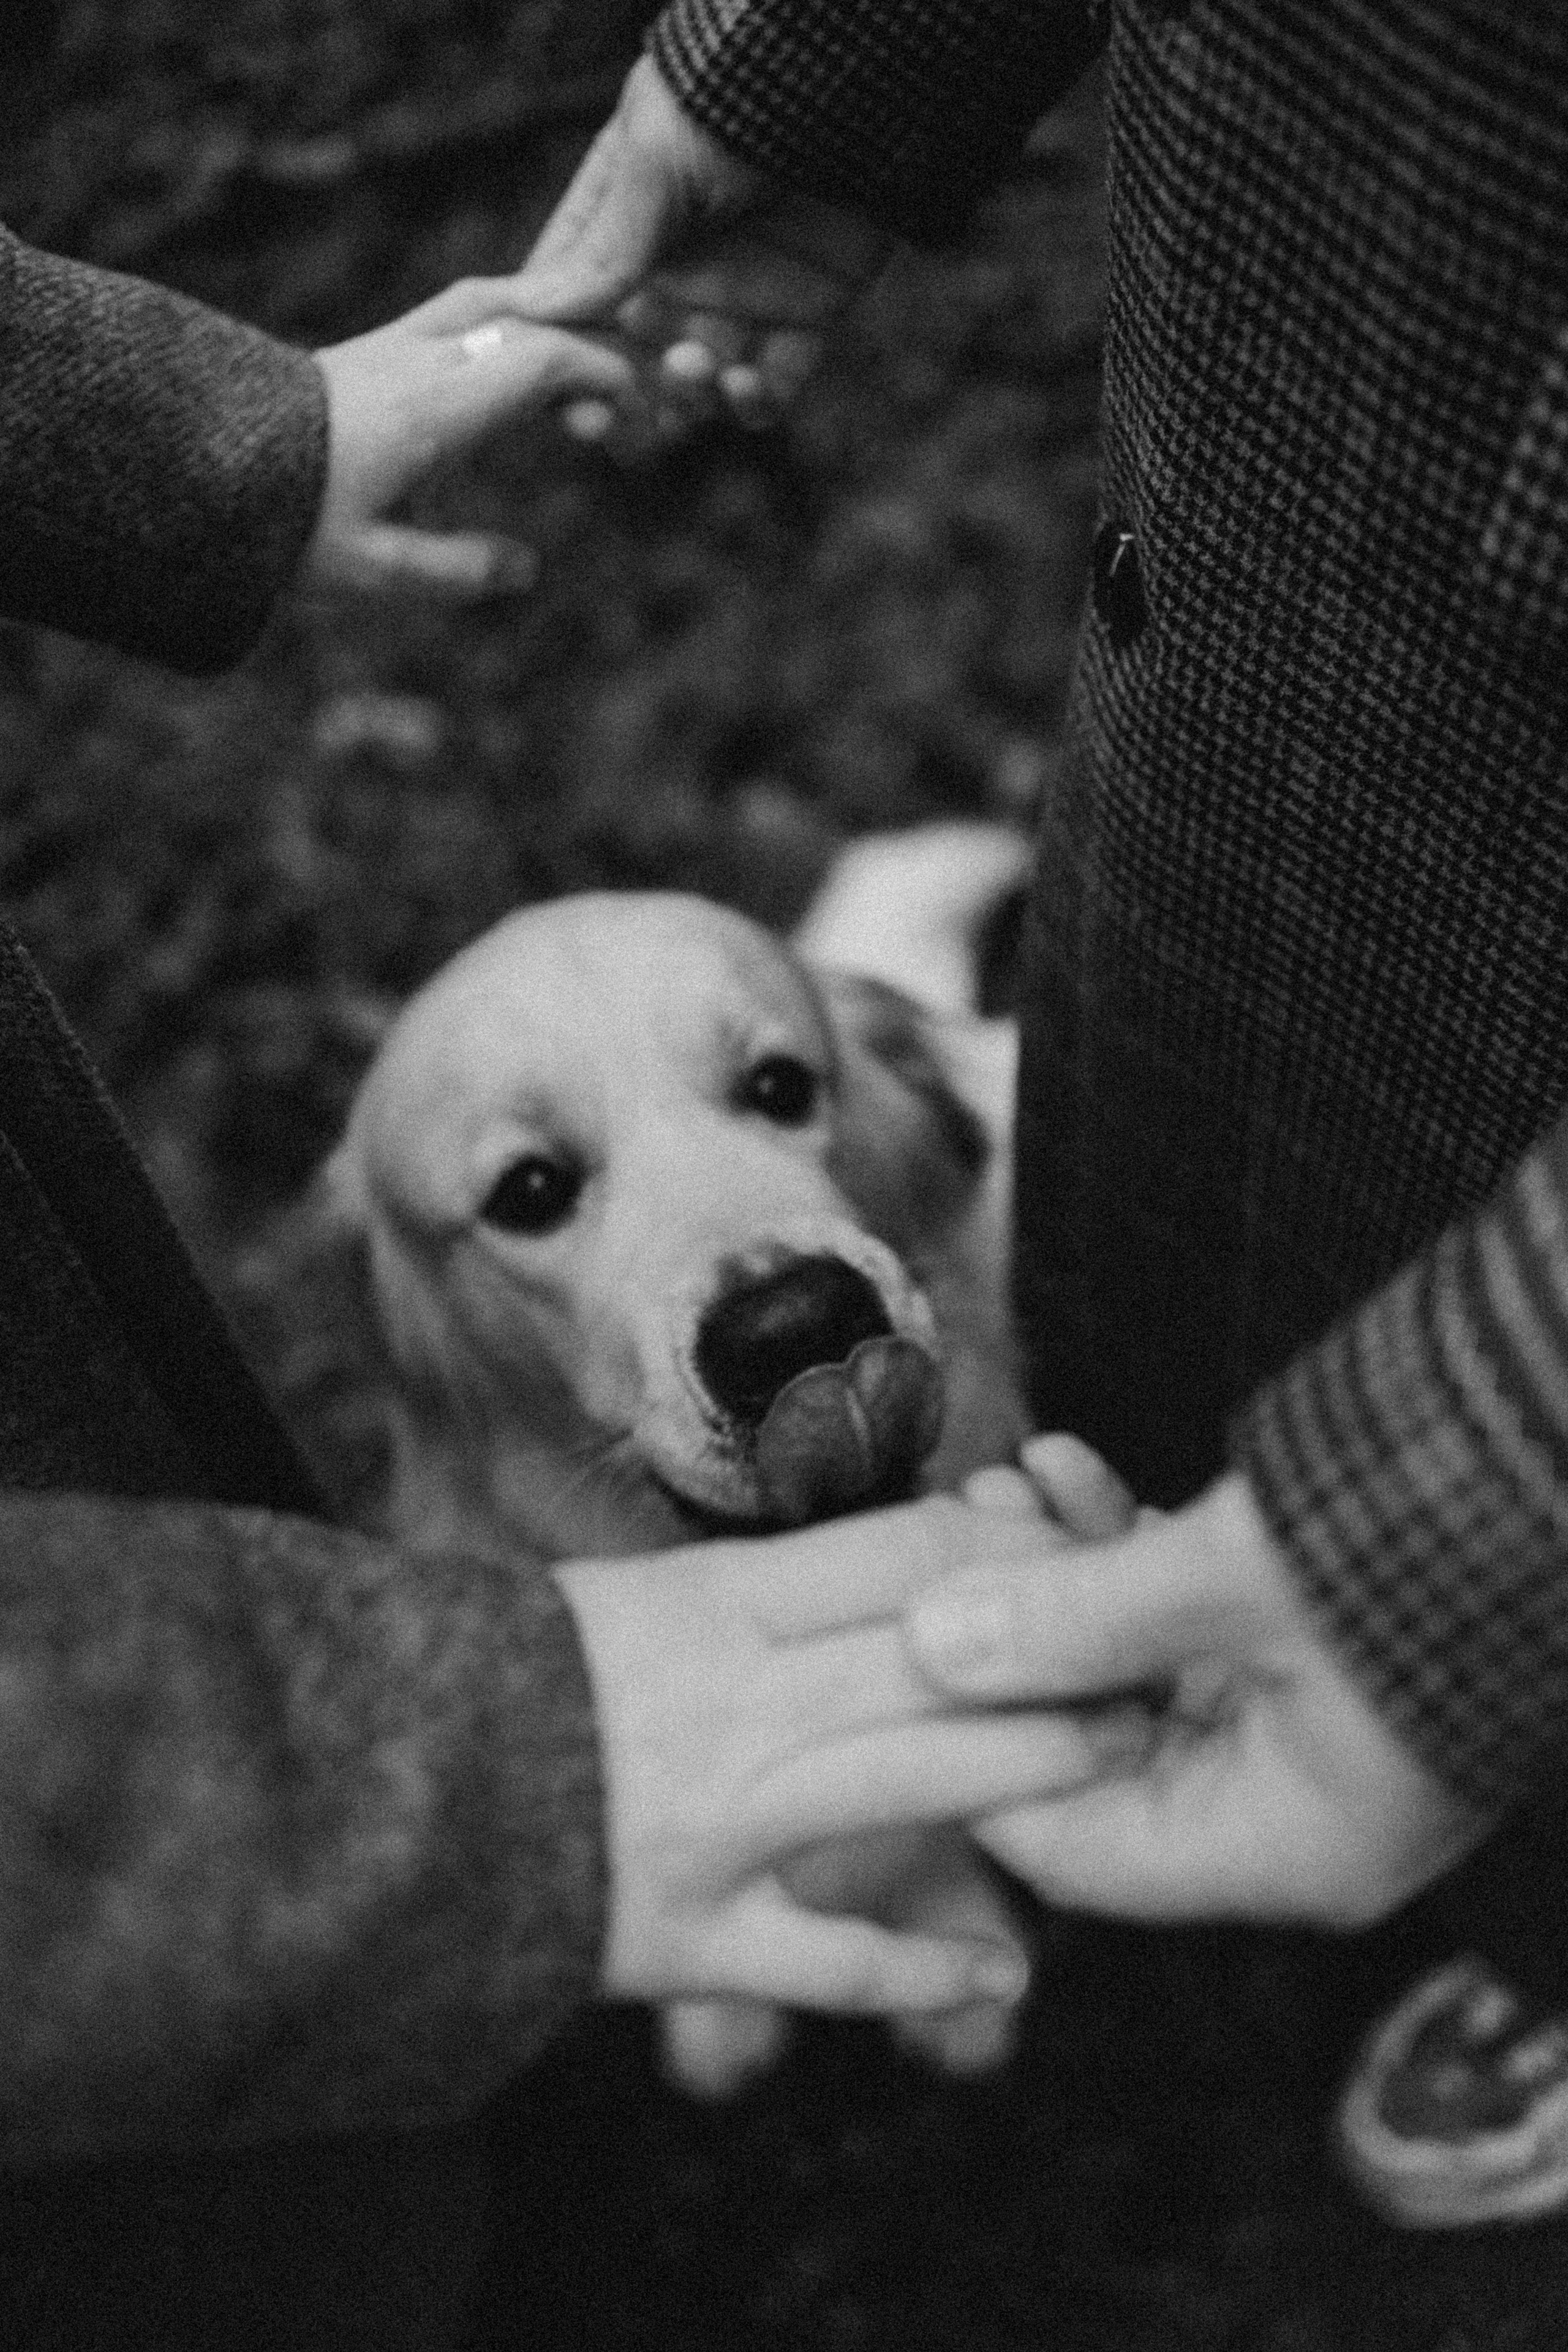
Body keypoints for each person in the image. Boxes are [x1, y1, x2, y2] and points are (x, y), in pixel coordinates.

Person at [0, 216, 1118, 2346]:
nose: (774, 1287)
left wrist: (171, 443)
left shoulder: (914, 1238)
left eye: (772, 1087)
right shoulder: (449, 1444)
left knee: (959, 1642)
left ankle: (916, 1857)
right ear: (423, 1318)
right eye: (531, 1191)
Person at [508, 0, 1568, 2230]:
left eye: (779, 1084)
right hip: (1294, 556)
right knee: (1209, 1256)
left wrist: (1484, 1522)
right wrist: (821, 59)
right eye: (526, 1188)